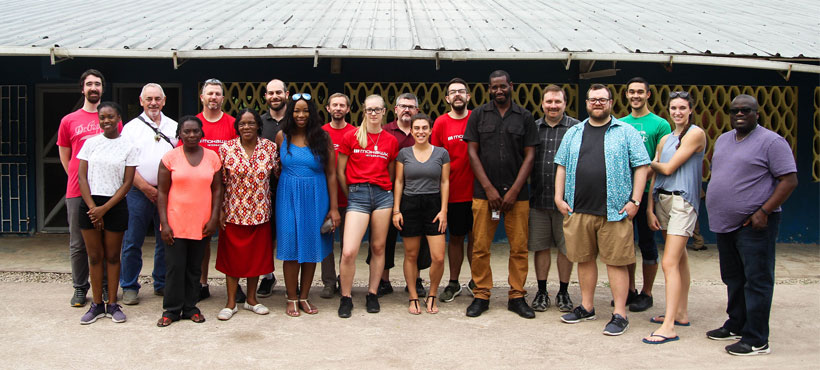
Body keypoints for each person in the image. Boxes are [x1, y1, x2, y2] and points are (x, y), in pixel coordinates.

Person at [705, 94, 797, 356]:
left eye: (746, 110)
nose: (740, 114)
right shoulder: (724, 139)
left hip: (755, 225)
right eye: (734, 110)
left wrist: (764, 210)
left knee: (757, 280)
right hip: (725, 224)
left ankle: (757, 339)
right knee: (733, 278)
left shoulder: (772, 142)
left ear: (757, 113)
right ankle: (736, 324)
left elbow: (789, 180)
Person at [554, 84, 650, 336]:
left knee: (617, 263)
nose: (597, 103)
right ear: (586, 102)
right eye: (593, 99)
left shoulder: (625, 131)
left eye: (602, 99)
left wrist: (636, 201)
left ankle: (620, 313)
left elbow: (642, 166)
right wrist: (558, 198)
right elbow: (561, 165)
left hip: (615, 210)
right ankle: (587, 307)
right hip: (578, 208)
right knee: (584, 260)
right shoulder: (574, 132)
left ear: (610, 102)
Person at [463, 70, 538, 319]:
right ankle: (481, 294)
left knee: (519, 248)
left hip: (518, 197)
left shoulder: (525, 117)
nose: (499, 91)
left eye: (502, 86)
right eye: (494, 87)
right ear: (489, 88)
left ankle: (517, 296)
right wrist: (489, 189)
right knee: (480, 247)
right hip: (485, 195)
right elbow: (472, 153)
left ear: (511, 86)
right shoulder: (477, 115)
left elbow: (530, 155)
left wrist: (515, 190)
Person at [641, 91, 706, 344]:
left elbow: (666, 168)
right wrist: (649, 208)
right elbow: (655, 176)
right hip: (662, 200)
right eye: (673, 108)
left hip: (683, 201)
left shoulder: (696, 134)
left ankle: (669, 326)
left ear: (690, 109)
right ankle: (680, 313)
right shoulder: (665, 138)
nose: (677, 112)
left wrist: (647, 162)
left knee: (668, 262)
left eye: (682, 107)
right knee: (679, 259)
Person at [58, 69, 120, 307]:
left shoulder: (112, 118)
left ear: (103, 89)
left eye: (97, 84)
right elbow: (65, 154)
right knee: (78, 243)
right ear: (82, 88)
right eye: (89, 84)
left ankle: (104, 287)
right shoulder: (69, 120)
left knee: (106, 241)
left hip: (107, 191)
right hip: (77, 190)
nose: (93, 88)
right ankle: (79, 288)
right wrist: (76, 176)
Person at [276, 93, 341, 316]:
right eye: (296, 110)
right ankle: (291, 297)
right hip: (288, 196)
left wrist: (333, 208)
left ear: (312, 112)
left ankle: (304, 296)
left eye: (305, 110)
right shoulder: (281, 136)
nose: (301, 115)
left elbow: (331, 174)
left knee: (311, 246)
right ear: (290, 112)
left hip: (316, 196)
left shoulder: (323, 138)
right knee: (291, 247)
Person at [336, 94, 399, 318]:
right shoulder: (351, 136)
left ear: (384, 112)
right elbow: (340, 171)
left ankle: (372, 293)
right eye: (369, 109)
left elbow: (390, 173)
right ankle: (346, 297)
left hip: (383, 196)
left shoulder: (391, 140)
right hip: (358, 195)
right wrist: (351, 193)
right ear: (364, 112)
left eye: (377, 110)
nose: (373, 113)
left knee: (378, 247)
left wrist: (385, 191)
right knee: (349, 250)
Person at [156, 116, 222, 327]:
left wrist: (214, 218)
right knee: (175, 267)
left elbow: (218, 189)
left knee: (195, 268)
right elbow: (162, 193)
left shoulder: (212, 157)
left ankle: (191, 307)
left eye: (195, 131)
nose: (192, 135)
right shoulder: (170, 158)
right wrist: (164, 224)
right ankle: (172, 310)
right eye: (187, 132)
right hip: (175, 223)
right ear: (180, 135)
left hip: (201, 223)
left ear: (202, 133)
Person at [76, 101, 138, 324]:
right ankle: (96, 304)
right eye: (102, 117)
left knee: (112, 256)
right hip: (90, 205)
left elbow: (127, 183)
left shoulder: (129, 146)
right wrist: (93, 208)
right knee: (94, 257)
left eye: (110, 117)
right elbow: (81, 177)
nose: (106, 121)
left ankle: (112, 304)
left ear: (119, 118)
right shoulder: (90, 143)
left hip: (114, 205)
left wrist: (104, 209)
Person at [215, 109, 278, 320]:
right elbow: (220, 183)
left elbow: (277, 175)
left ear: (258, 125)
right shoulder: (226, 149)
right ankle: (231, 302)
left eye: (251, 123)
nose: (247, 127)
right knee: (232, 259)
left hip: (261, 211)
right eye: (242, 124)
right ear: (237, 127)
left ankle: (251, 300)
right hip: (233, 211)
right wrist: (220, 210)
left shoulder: (269, 148)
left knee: (256, 259)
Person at [119, 83, 178, 305]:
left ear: (164, 101)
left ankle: (162, 283)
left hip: (167, 192)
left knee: (165, 239)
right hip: (137, 190)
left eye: (157, 99)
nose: (153, 103)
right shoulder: (130, 128)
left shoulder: (173, 126)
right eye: (149, 99)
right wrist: (145, 187)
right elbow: (125, 162)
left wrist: (160, 191)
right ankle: (129, 285)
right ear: (141, 101)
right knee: (133, 240)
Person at [369, 93, 431, 297]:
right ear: (395, 110)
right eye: (403, 106)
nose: (407, 110)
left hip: (417, 194)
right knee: (383, 238)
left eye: (411, 107)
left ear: (417, 110)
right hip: (386, 193)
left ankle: (416, 280)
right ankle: (383, 280)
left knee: (419, 239)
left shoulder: (422, 132)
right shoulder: (384, 131)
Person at [618, 77, 672, 312]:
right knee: (624, 245)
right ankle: (629, 290)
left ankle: (646, 292)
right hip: (623, 196)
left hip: (650, 194)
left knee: (648, 245)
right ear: (626, 95)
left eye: (640, 92)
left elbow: (661, 160)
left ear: (648, 94)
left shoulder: (661, 125)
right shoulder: (620, 123)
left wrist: (642, 175)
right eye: (631, 92)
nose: (635, 96)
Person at [528, 84, 579, 313]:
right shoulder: (533, 128)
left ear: (564, 104)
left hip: (567, 202)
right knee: (540, 248)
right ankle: (541, 291)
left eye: (557, 102)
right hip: (538, 199)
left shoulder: (576, 128)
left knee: (566, 249)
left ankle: (564, 291)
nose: (553, 106)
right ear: (542, 104)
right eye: (549, 102)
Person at [393, 114, 450, 314]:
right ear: (412, 130)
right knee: (411, 255)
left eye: (424, 128)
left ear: (430, 129)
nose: (420, 132)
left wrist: (444, 210)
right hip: (410, 204)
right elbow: (399, 182)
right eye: (416, 128)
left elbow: (444, 182)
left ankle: (432, 294)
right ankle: (413, 296)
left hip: (434, 204)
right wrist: (396, 210)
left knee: (438, 257)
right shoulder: (404, 153)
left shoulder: (442, 153)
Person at [431, 78, 475, 303]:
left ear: (468, 96)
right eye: (453, 92)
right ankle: (454, 282)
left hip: (478, 192)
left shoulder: (477, 119)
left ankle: (477, 281)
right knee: (456, 239)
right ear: (447, 98)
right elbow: (435, 159)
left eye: (461, 91)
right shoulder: (440, 123)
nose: (457, 95)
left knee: (477, 239)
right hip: (453, 192)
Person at [196, 78, 238, 302]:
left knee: (230, 240)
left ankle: (234, 282)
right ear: (202, 97)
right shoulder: (193, 123)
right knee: (202, 238)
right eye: (209, 93)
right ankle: (202, 282)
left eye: (217, 94)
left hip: (229, 191)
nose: (213, 97)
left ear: (223, 98)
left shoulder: (232, 124)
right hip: (199, 192)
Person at [320, 92, 357, 298]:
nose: (338, 108)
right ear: (328, 108)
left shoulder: (355, 133)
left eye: (342, 105)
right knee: (326, 241)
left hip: (349, 196)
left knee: (347, 244)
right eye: (334, 105)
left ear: (348, 109)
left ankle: (344, 281)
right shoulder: (320, 133)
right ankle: (328, 282)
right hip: (324, 197)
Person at [257, 78, 289, 297]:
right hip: (264, 187)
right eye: (271, 93)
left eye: (279, 92)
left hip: (290, 185)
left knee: (288, 232)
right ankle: (267, 276)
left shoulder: (297, 120)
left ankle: (291, 279)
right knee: (265, 235)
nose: (275, 96)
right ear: (266, 97)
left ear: (287, 94)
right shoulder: (259, 123)